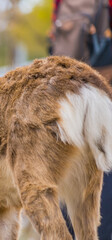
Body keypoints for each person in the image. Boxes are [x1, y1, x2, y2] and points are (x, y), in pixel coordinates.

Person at [50, 0, 112, 239]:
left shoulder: (63, 4)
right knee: (104, 172)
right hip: (103, 90)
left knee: (71, 171)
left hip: (69, 93)